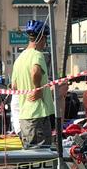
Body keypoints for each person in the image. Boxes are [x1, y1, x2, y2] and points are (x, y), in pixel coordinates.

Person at [11, 19, 55, 148]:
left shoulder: (19, 59)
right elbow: (35, 71)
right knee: (43, 153)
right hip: (37, 114)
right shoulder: (37, 55)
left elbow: (14, 86)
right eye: (45, 39)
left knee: (31, 154)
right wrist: (37, 88)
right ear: (42, 38)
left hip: (25, 116)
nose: (45, 43)